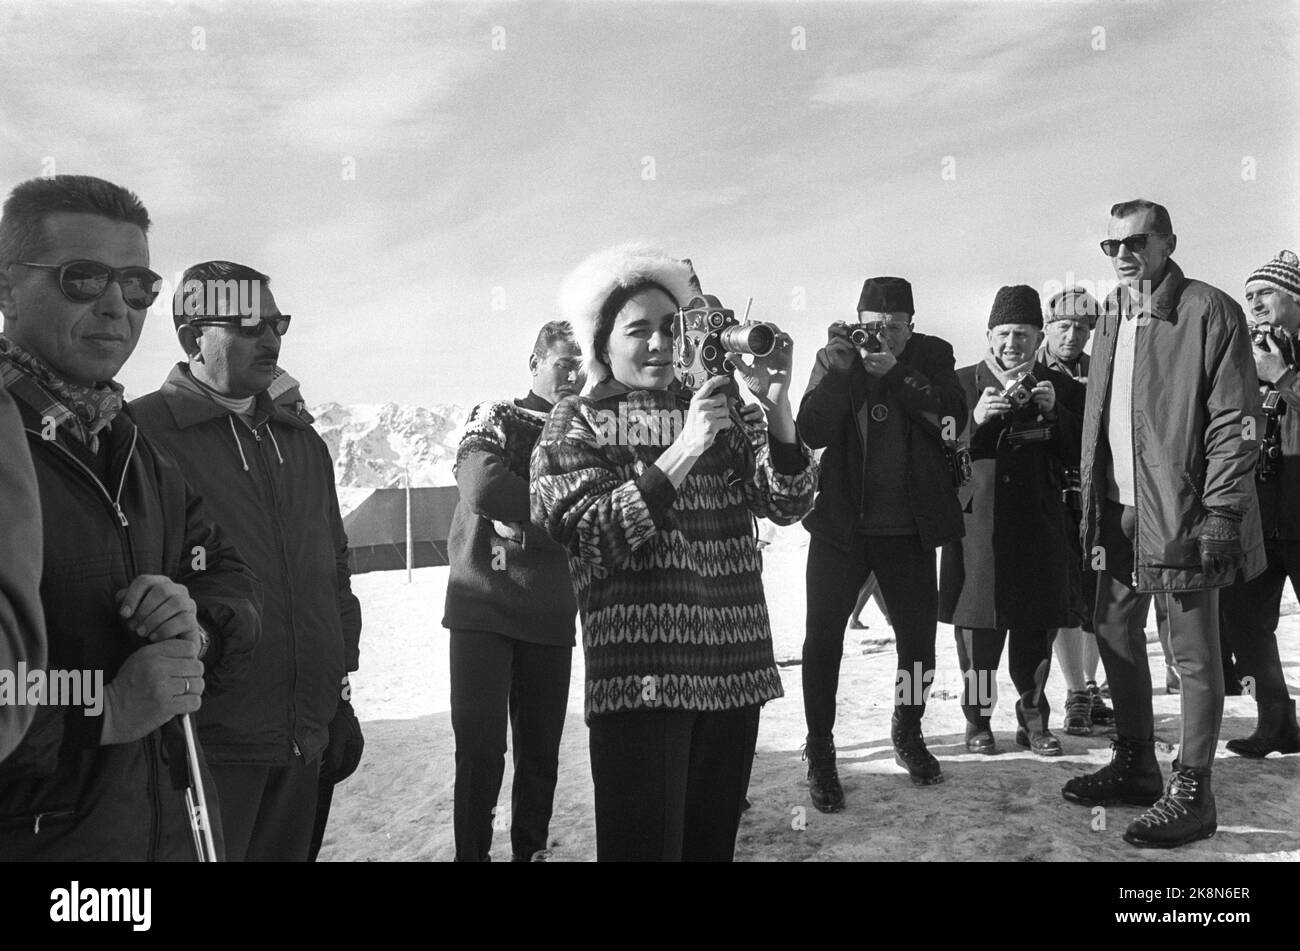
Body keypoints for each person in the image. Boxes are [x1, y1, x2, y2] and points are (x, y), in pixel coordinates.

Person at [0, 175, 261, 860]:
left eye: (138, 284)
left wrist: (194, 626)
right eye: (82, 278)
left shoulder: (134, 450)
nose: (118, 305)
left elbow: (230, 577)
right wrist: (102, 710)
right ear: (5, 290)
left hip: (161, 831)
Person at [532, 244, 816, 861]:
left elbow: (789, 503)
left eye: (670, 327)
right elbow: (590, 534)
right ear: (601, 345)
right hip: (643, 683)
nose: (660, 344)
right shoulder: (574, 422)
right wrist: (683, 449)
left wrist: (778, 411)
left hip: (734, 674)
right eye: (638, 331)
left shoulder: (719, 409)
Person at [130, 260, 363, 861]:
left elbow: (333, 573)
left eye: (277, 322)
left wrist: (338, 697)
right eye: (248, 324)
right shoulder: (141, 434)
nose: (272, 338)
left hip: (303, 740)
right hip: (202, 750)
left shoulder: (302, 443)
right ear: (191, 339)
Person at [1061, 198, 1264, 849]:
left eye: (1137, 240)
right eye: (1112, 244)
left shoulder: (1209, 310)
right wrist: (1093, 502)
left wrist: (1223, 510)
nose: (1123, 253)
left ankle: (1194, 789)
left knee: (1194, 652)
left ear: (1168, 242)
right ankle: (1136, 761)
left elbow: (1237, 421)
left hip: (1184, 509)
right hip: (1119, 507)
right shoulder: (1111, 314)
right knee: (1114, 628)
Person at [797, 276, 966, 808]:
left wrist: (899, 376)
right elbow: (811, 431)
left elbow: (952, 422)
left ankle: (908, 730)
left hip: (908, 530)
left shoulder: (931, 356)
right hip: (841, 529)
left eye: (893, 329)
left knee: (917, 645)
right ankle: (820, 749)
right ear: (857, 320)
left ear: (910, 327)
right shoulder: (836, 357)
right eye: (873, 327)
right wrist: (841, 371)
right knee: (822, 643)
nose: (882, 337)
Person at [442, 320, 583, 862]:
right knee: (479, 750)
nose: (572, 372)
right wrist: (555, 518)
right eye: (561, 361)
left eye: (580, 363)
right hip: (481, 605)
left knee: (540, 753)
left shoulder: (587, 431)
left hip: (550, 615)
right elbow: (480, 483)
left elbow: (593, 513)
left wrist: (530, 527)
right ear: (535, 363)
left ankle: (530, 852)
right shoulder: (495, 414)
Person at [939, 285, 1084, 755]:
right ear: (987, 335)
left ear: (1038, 336)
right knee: (979, 640)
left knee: (1035, 634)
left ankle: (1034, 720)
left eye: (1022, 334)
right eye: (1003, 334)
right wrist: (974, 421)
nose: (1012, 344)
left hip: (1039, 529)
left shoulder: (1059, 387)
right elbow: (939, 456)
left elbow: (1083, 452)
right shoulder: (960, 384)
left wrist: (1054, 413)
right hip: (976, 532)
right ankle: (978, 723)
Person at [1218, 250, 1300, 757]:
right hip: (1261, 513)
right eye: (1248, 297)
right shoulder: (1250, 354)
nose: (1254, 305)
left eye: (1265, 293)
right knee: (1243, 619)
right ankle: (1277, 720)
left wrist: (1286, 379)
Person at [1037, 288, 1115, 735]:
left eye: (1084, 327)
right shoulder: (1031, 366)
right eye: (1064, 325)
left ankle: (1091, 687)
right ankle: (1074, 692)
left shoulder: (1099, 368)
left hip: (1094, 497)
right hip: (1047, 496)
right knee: (1063, 598)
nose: (1073, 335)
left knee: (1095, 594)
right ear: (1048, 325)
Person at [0, 383, 45, 764]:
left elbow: (211, 563)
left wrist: (199, 633)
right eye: (244, 320)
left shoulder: (132, 436)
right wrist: (104, 712)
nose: (118, 317)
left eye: (277, 324)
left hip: (141, 802)